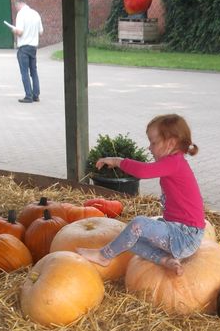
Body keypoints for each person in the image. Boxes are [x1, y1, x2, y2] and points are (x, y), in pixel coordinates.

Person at [77, 114, 205, 276]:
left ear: (171, 143)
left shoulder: (174, 162)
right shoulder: (174, 163)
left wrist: (117, 161)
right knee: (128, 239)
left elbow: (143, 171)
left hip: (185, 235)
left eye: (153, 142)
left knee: (138, 224)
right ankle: (165, 260)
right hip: (176, 230)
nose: (149, 148)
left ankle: (104, 256)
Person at [11, 0, 43, 103]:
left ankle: (28, 96)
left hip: (24, 47)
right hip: (33, 47)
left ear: (19, 5)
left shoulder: (21, 14)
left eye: (16, 8)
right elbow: (41, 32)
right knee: (34, 71)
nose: (16, 10)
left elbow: (20, 32)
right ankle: (36, 95)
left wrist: (14, 30)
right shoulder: (35, 13)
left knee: (24, 72)